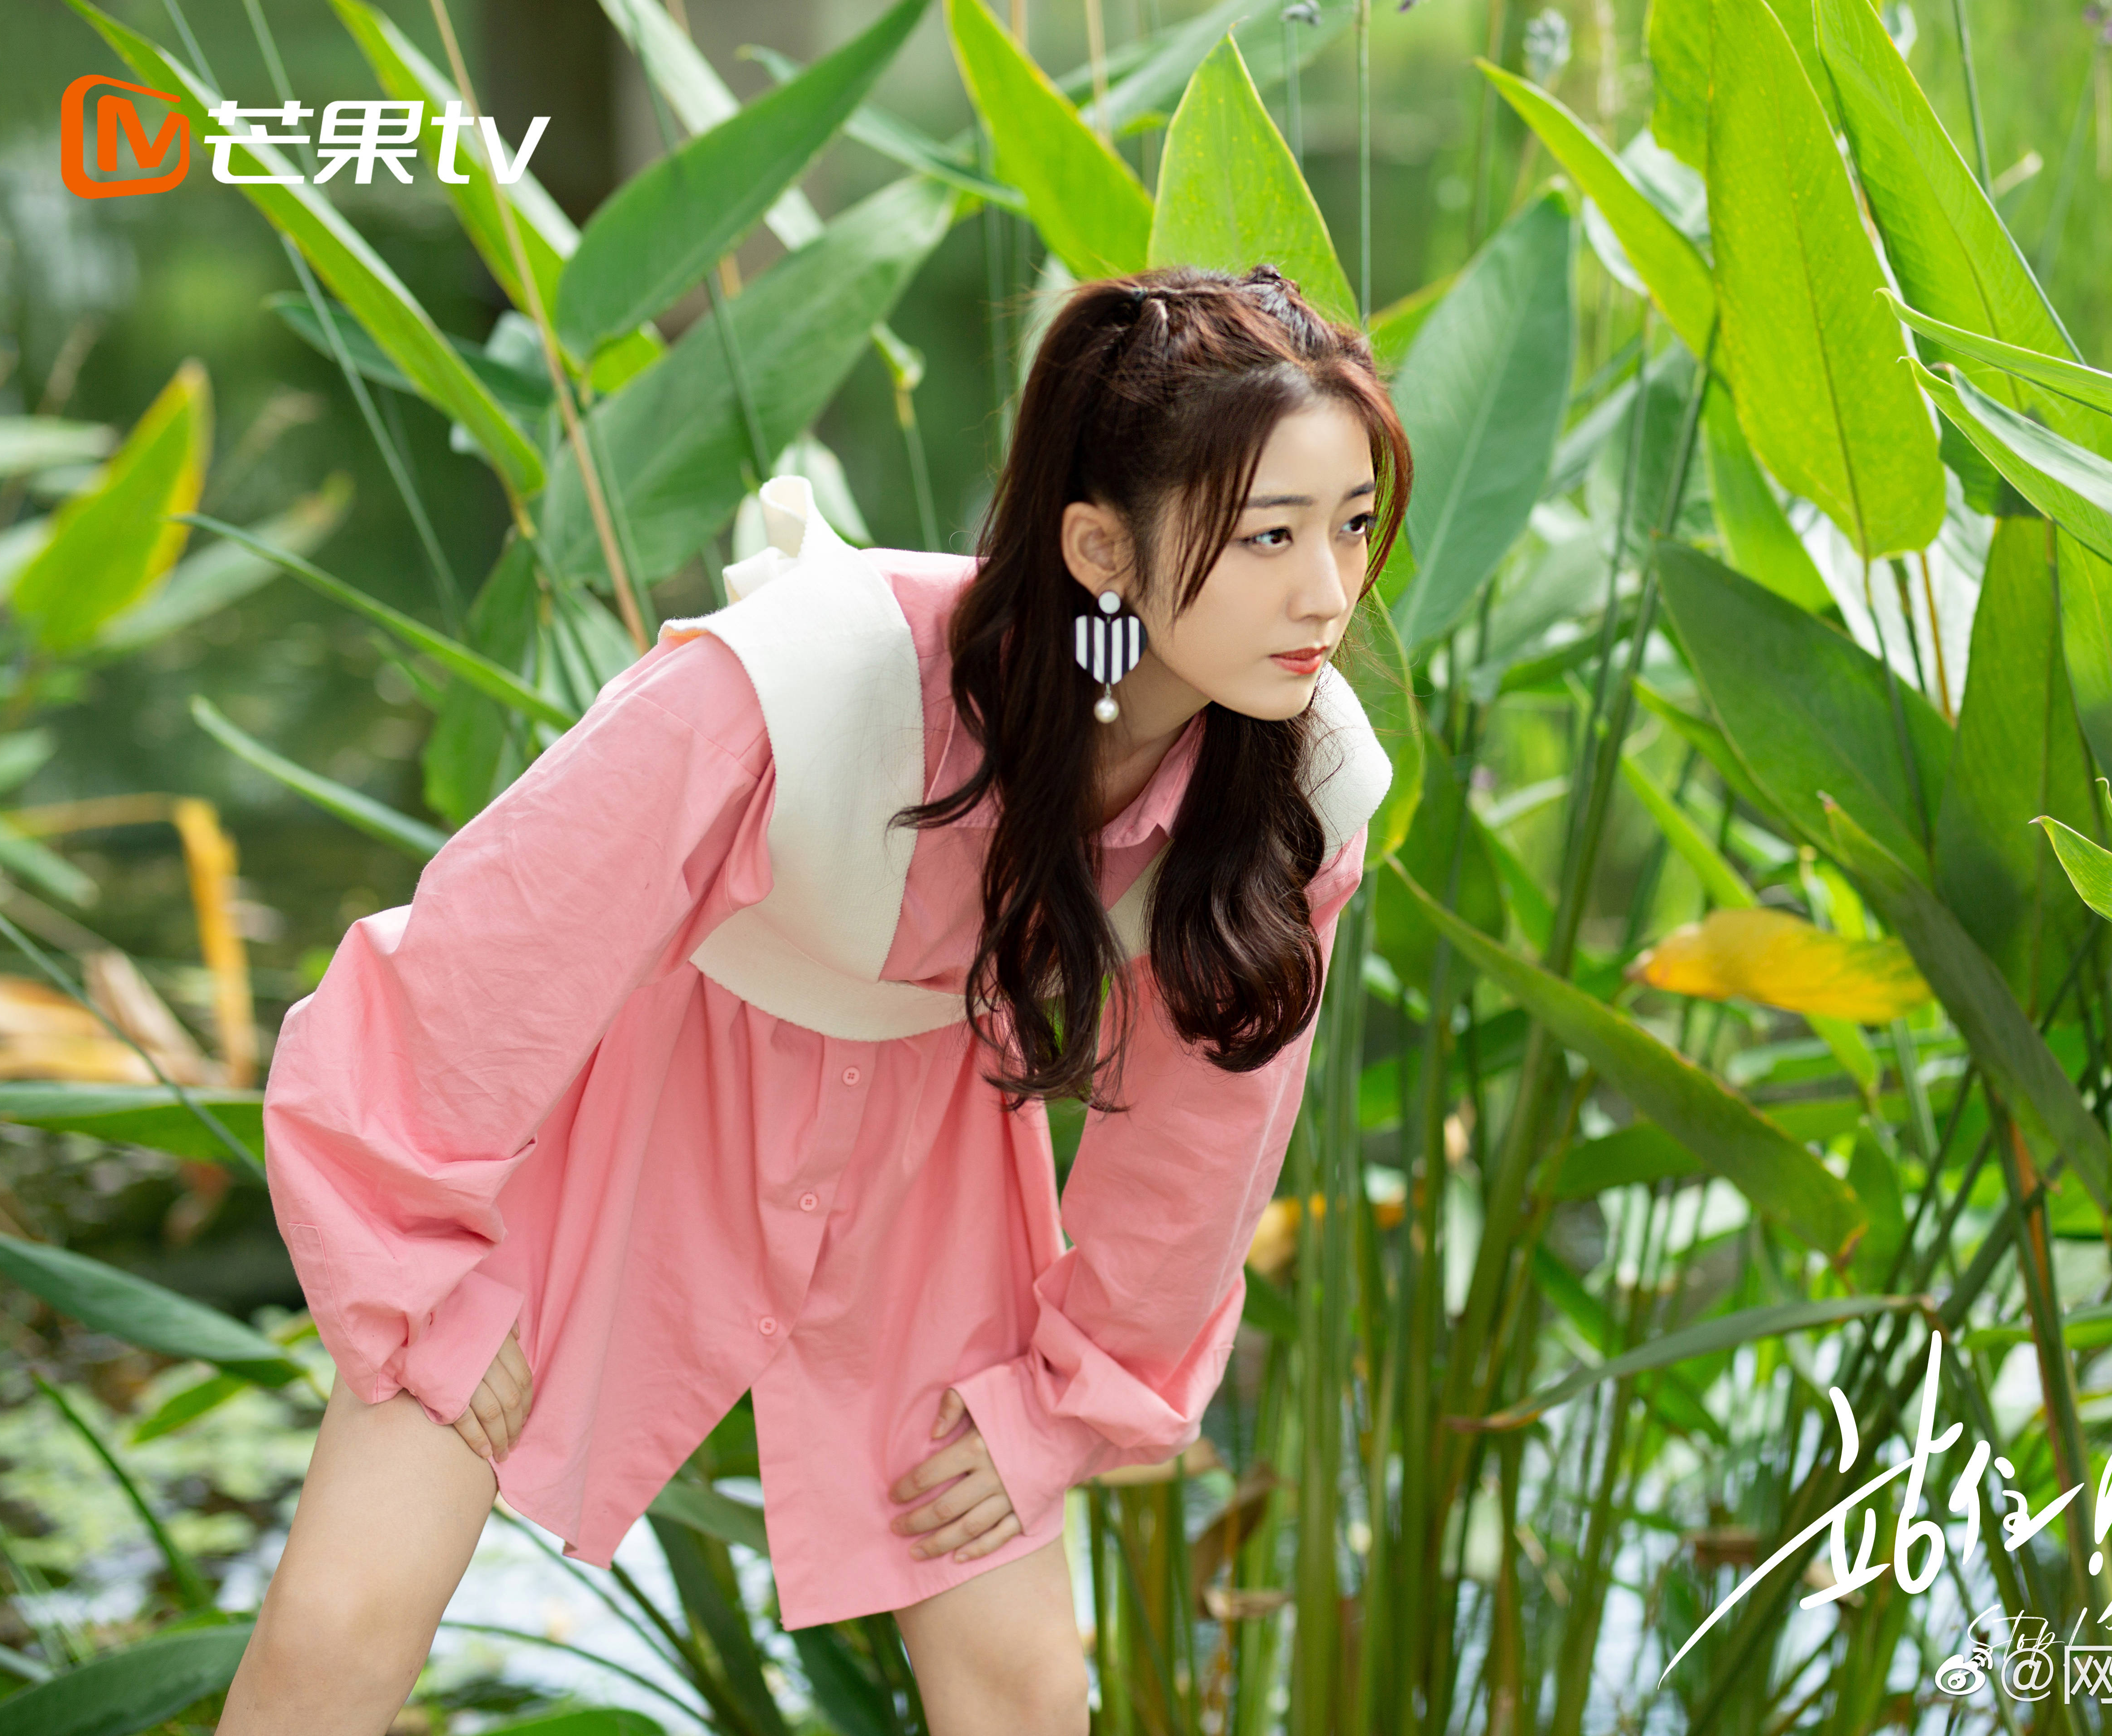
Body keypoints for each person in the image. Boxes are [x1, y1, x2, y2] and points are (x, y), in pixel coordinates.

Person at [217, 264, 1412, 1736]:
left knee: (1028, 1690)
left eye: (1353, 525)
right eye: (1270, 536)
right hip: (617, 1115)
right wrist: (414, 1267)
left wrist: (1069, 1402)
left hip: (931, 1168)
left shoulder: (1294, 796)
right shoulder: (810, 677)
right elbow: (488, 960)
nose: (1328, 594)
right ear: (1102, 546)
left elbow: (1200, 1155)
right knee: (340, 1623)